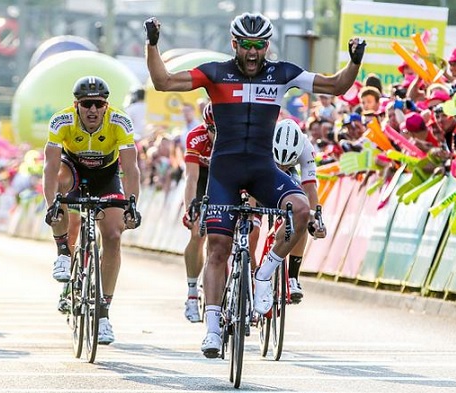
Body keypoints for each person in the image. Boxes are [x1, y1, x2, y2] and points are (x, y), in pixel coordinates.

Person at [144, 12, 364, 358]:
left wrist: (354, 62)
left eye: (259, 46)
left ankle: (266, 275)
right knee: (217, 247)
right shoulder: (215, 72)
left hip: (263, 169)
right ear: (234, 44)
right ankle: (213, 328)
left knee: (302, 210)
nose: (251, 53)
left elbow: (335, 86)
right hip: (224, 172)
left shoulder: (283, 73)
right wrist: (152, 45)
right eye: (245, 45)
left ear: (267, 46)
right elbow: (164, 82)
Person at [42, 76, 141, 345]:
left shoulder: (120, 121)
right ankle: (63, 252)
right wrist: (52, 203)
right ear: (76, 105)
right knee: (61, 184)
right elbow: (50, 168)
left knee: (112, 236)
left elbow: (131, 169)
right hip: (72, 170)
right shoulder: (61, 121)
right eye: (87, 104)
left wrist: (132, 204)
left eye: (98, 104)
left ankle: (103, 314)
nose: (93, 110)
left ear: (106, 105)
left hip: (107, 175)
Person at [269, 118, 325, 302]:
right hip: (265, 169)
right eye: (281, 163)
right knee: (251, 220)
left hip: (293, 175)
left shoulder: (306, 148)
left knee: (302, 213)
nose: (282, 167)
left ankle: (293, 277)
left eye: (286, 163)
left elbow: (310, 188)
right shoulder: (264, 140)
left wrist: (315, 219)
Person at [182, 102, 215, 323]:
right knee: (197, 233)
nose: (216, 134)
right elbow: (191, 178)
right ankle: (192, 293)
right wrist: (190, 208)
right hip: (202, 180)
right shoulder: (196, 137)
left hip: (225, 179)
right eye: (212, 129)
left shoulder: (234, 135)